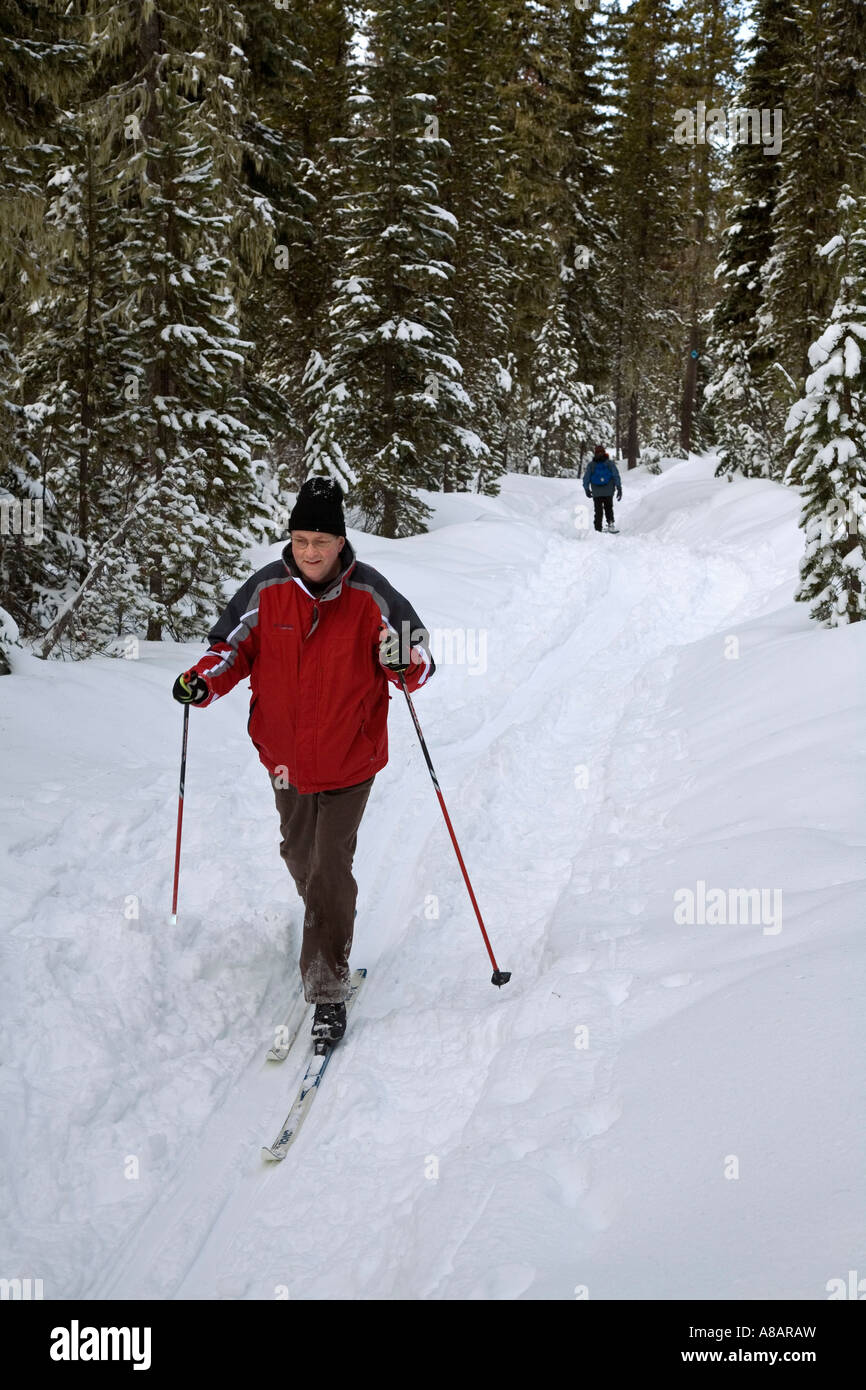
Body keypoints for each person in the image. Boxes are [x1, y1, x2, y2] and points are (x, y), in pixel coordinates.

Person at [172, 477, 435, 1043]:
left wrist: (403, 663)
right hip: (285, 757)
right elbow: (230, 649)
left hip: (350, 757)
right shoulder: (266, 590)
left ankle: (326, 986)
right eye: (300, 539)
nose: (310, 551)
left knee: (330, 867)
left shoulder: (373, 594)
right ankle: (328, 917)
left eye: (321, 539)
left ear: (341, 541)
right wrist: (202, 682)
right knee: (300, 855)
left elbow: (419, 659)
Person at [583, 444, 623, 532]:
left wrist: (586, 489)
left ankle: (598, 528)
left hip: (596, 492)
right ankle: (611, 524)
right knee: (609, 508)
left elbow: (586, 477)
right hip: (608, 491)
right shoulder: (609, 463)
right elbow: (616, 475)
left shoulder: (591, 465)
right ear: (605, 453)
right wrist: (619, 488)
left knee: (598, 510)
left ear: (595, 453)